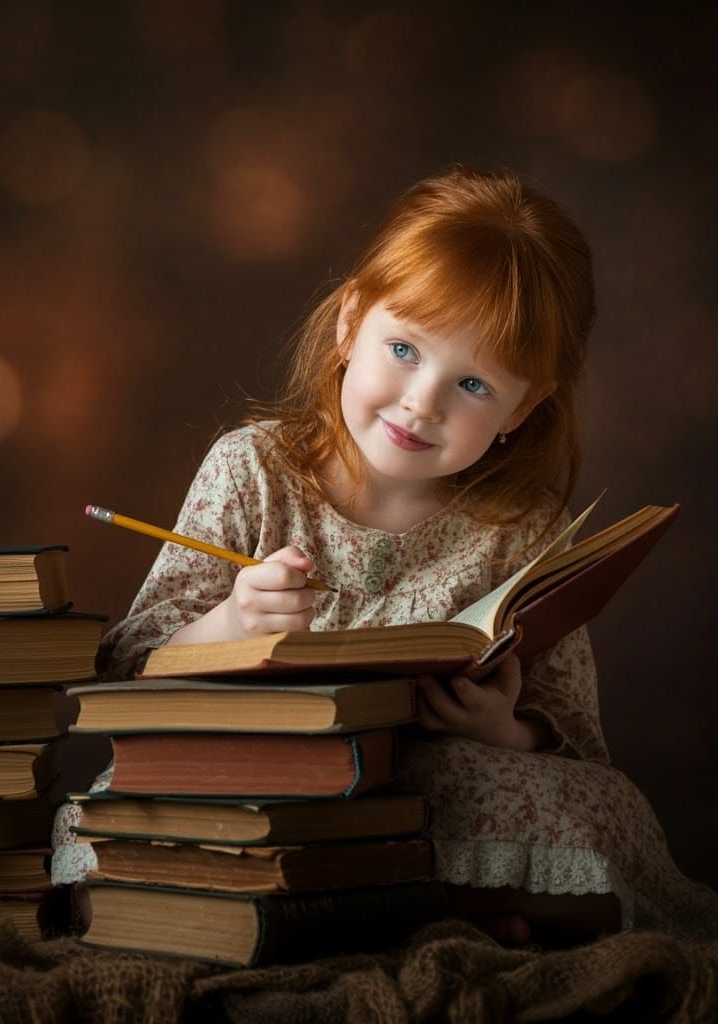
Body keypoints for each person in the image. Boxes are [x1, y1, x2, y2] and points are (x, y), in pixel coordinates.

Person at [52, 164, 718, 945]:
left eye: (472, 384)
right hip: (253, 775)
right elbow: (129, 660)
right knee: (109, 832)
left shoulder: (522, 527)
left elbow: (570, 729)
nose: (421, 402)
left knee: (604, 814)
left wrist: (502, 728)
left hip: (431, 784)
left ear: (523, 408)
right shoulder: (251, 469)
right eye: (403, 348)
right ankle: (416, 914)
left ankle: (369, 915)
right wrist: (229, 621)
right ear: (349, 324)